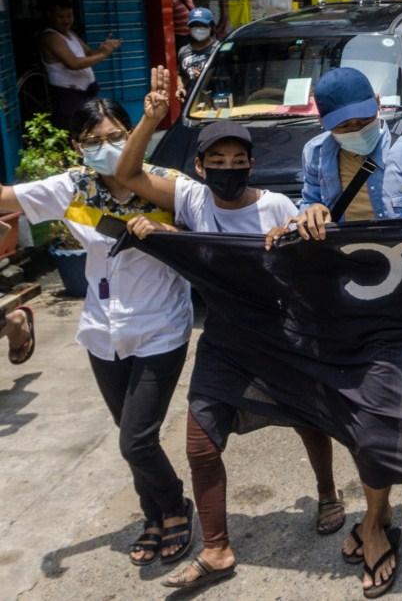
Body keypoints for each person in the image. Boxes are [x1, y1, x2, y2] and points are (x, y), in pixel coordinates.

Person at [113, 70, 344, 590]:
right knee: (199, 442)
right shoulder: (192, 201)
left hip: (283, 336)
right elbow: (127, 176)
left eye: (238, 163)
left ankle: (328, 493)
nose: (228, 171)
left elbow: (314, 267)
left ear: (252, 165)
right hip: (224, 340)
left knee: (309, 422)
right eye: (216, 163)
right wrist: (151, 121)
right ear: (199, 168)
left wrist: (298, 235)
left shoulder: (276, 208)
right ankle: (216, 547)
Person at [265, 66, 402, 596]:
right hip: (339, 304)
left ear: (379, 106)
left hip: (399, 306)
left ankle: (371, 526)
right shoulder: (316, 154)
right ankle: (378, 517)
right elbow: (307, 205)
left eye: (364, 120)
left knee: (375, 417)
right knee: (354, 411)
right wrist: (308, 213)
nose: (355, 130)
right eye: (343, 125)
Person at [0, 98, 194, 567]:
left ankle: (175, 506)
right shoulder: (72, 186)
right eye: (92, 141)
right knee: (126, 431)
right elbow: (6, 199)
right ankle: (152, 516)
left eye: (114, 137)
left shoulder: (168, 185)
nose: (105, 148)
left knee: (136, 439)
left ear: (134, 135)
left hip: (160, 327)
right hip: (102, 332)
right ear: (76, 147)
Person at [40, 0, 121, 132]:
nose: (66, 21)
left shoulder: (71, 34)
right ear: (50, 16)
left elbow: (90, 54)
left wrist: (104, 48)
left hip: (85, 94)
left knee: (90, 131)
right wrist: (103, 54)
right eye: (61, 16)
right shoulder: (51, 36)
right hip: (68, 96)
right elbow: (73, 63)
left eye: (69, 16)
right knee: (76, 134)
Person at [177, 7, 219, 97]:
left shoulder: (218, 49)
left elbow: (229, 76)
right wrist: (180, 88)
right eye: (194, 26)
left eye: (202, 25)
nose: (198, 29)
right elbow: (181, 75)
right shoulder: (183, 52)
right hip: (192, 103)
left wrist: (206, 76)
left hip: (216, 99)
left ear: (211, 27)